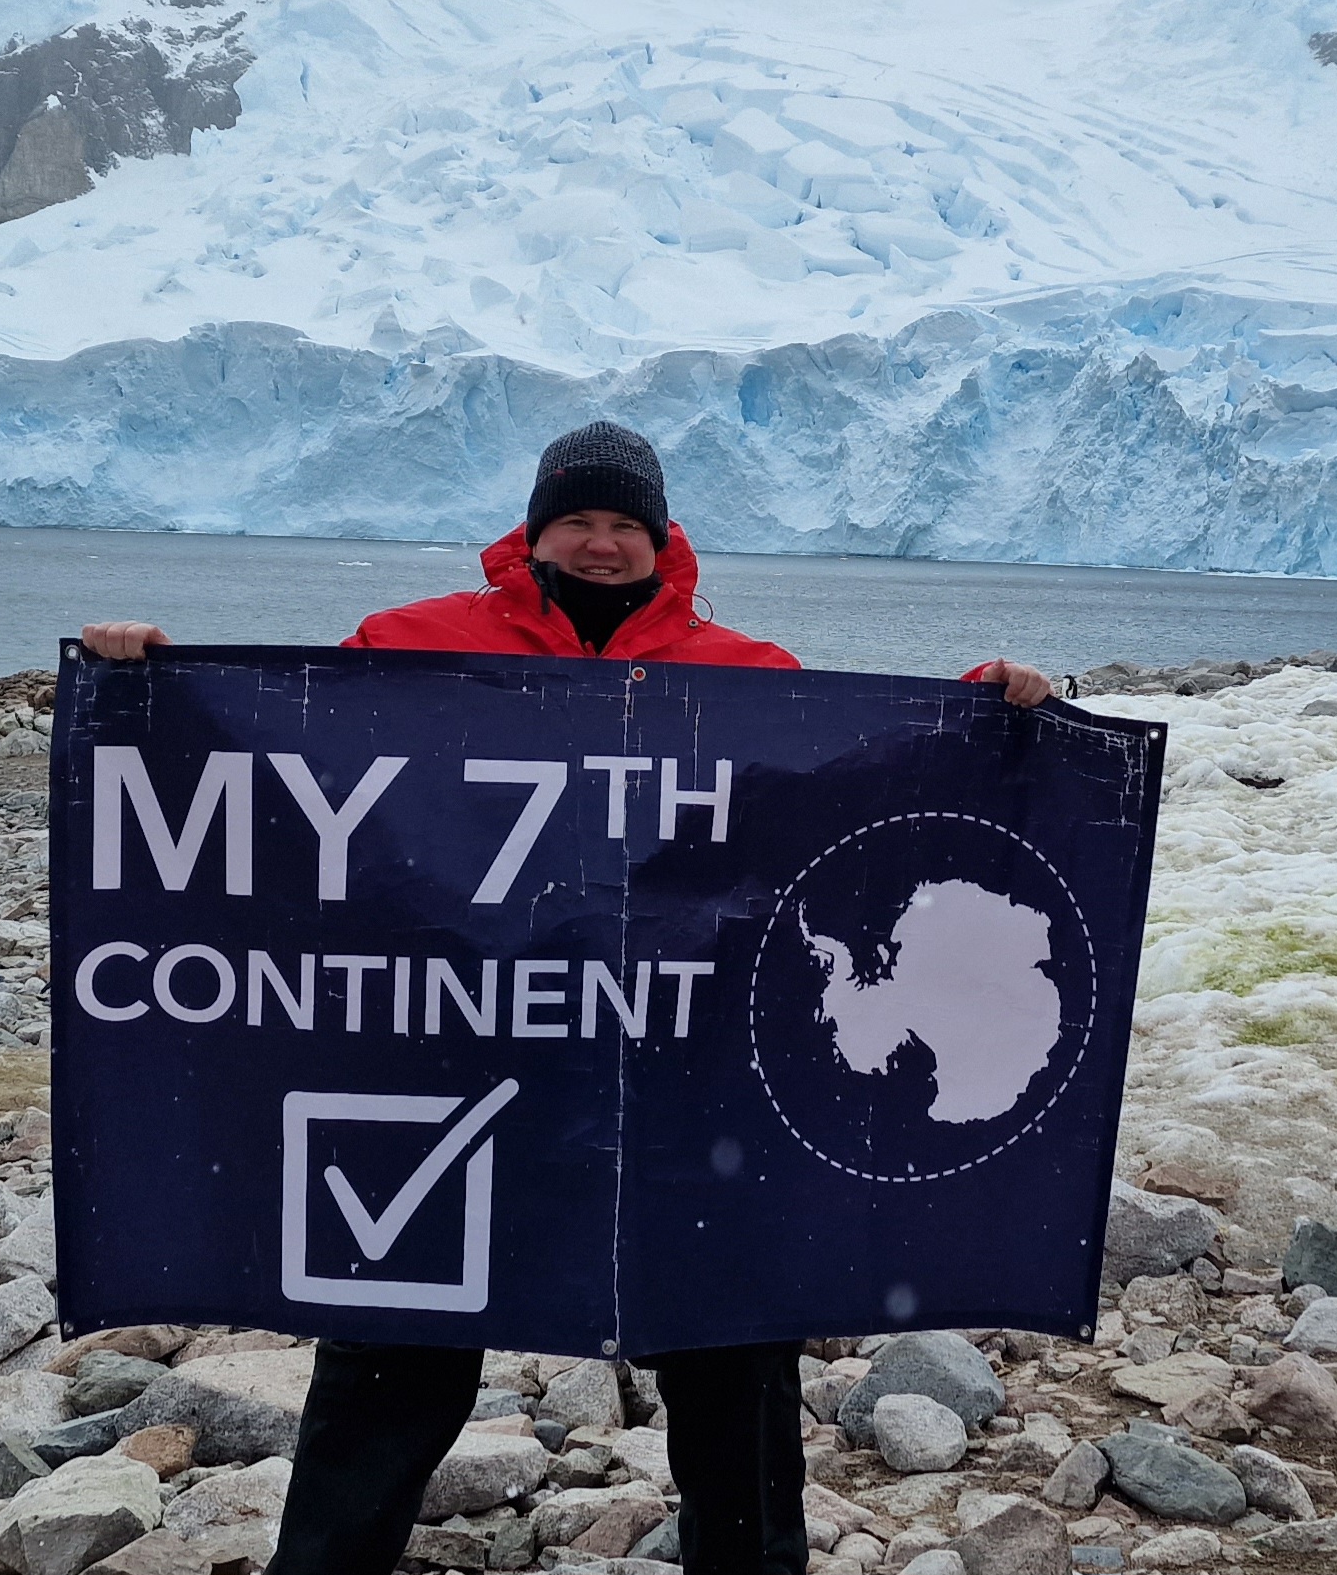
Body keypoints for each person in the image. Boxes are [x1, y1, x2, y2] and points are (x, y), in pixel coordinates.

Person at [79, 420, 1052, 1575]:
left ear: (660, 538)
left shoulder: (747, 673)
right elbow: (293, 756)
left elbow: (846, 793)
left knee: (729, 1342)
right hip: (457, 1054)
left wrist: (982, 713)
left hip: (680, 1069)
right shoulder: (409, 643)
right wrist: (150, 685)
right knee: (393, 1345)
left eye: (622, 525)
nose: (600, 543)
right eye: (577, 521)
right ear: (536, 530)